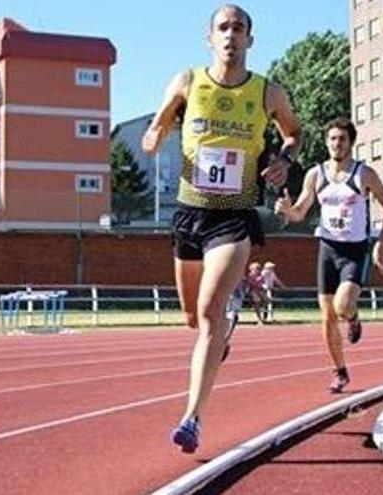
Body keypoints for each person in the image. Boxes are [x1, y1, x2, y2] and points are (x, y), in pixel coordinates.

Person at [141, 4, 302, 454]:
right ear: (209, 37)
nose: (231, 34)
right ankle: (216, 335)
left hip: (235, 216)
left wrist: (282, 161)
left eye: (239, 28)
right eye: (223, 27)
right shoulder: (189, 81)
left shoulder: (267, 91)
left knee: (211, 314)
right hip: (190, 214)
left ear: (251, 39)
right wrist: (153, 138)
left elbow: (293, 133)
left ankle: (191, 418)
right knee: (193, 318)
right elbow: (159, 121)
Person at [274, 117, 383, 394]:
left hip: (355, 250)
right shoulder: (315, 175)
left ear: (351, 143)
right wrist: (286, 209)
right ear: (327, 142)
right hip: (327, 248)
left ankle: (352, 319)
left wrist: (381, 244)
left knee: (342, 307)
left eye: (341, 139)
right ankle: (340, 371)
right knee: (327, 315)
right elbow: (300, 213)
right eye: (332, 139)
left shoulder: (364, 174)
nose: (336, 144)